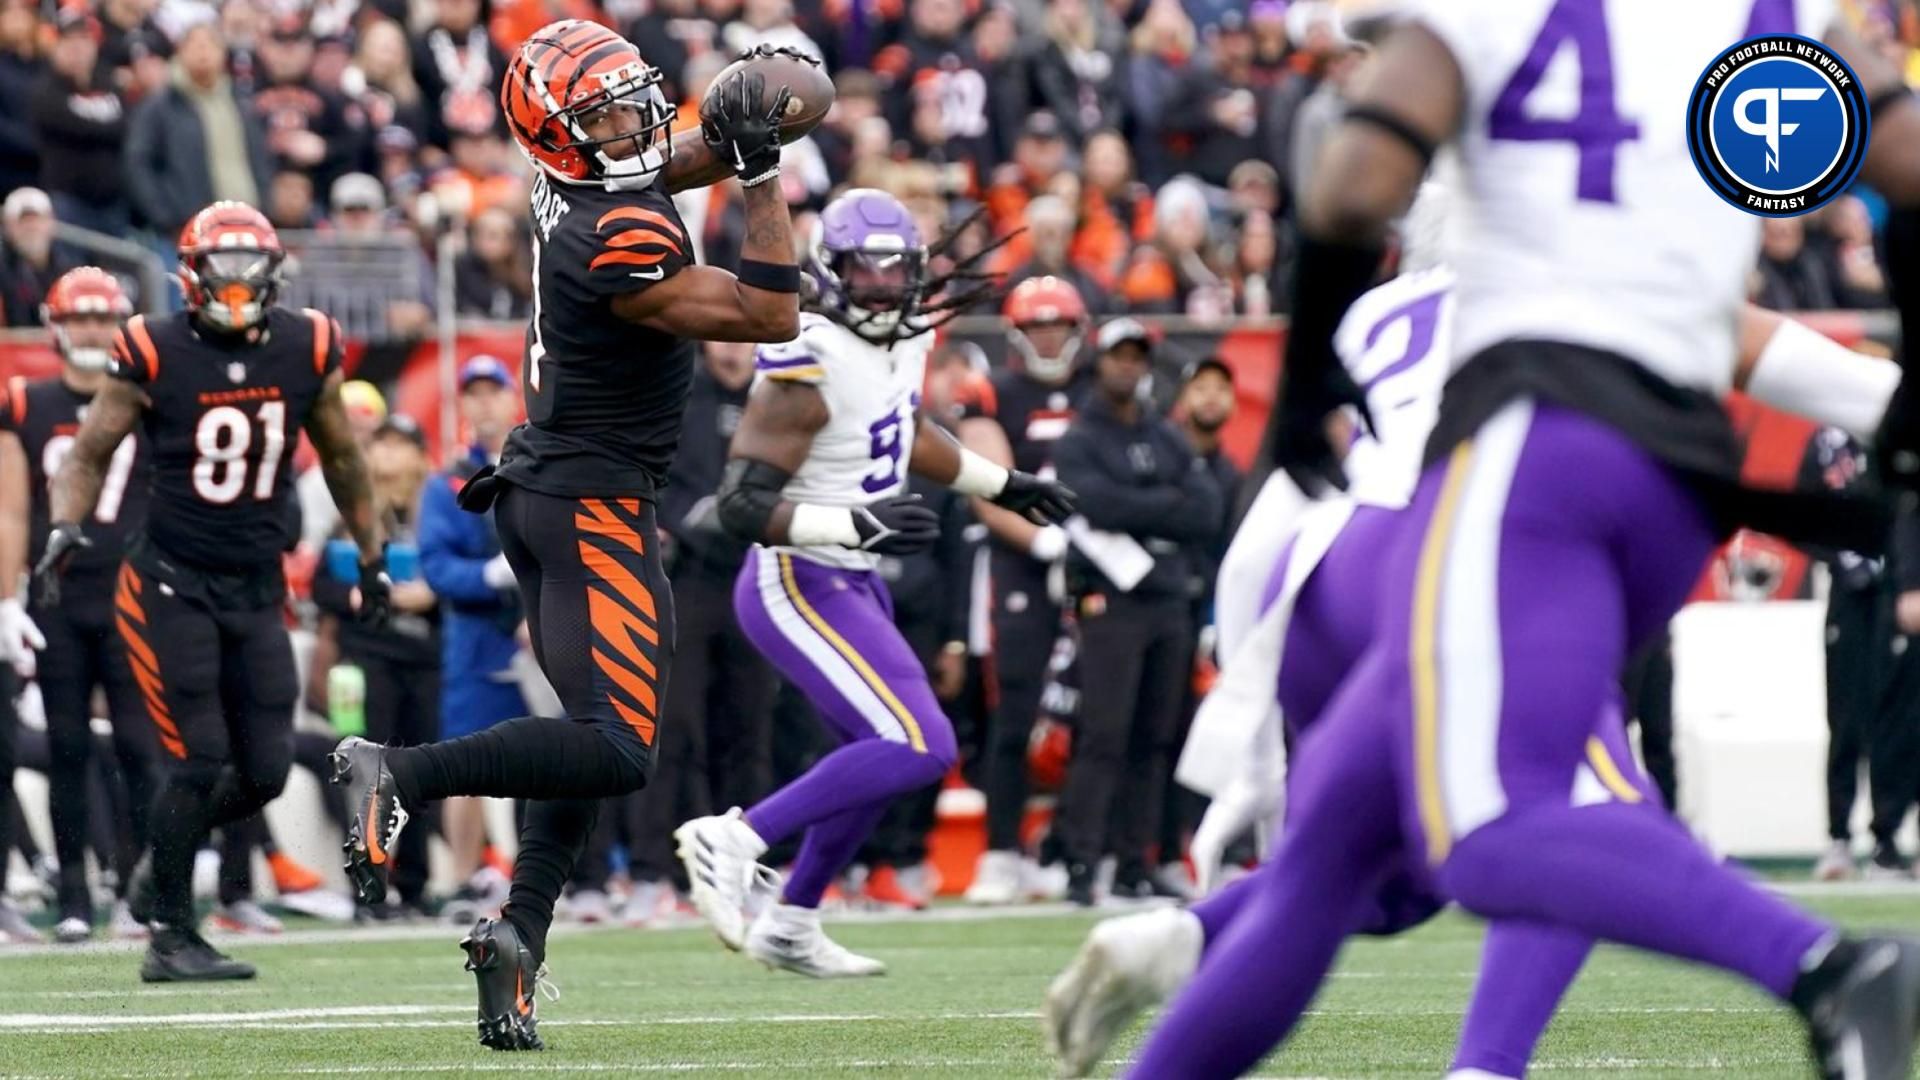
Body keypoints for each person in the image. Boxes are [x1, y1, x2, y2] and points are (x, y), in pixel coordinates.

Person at [1120, 4, 1920, 1076]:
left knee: (1488, 835)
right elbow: (1906, 158)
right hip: (1670, 479)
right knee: (1329, 865)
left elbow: (1354, 179)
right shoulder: (1772, 14)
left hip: (1528, 451)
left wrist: (1306, 370)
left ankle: (1823, 966)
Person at [328, 25, 812, 1051]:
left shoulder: (579, 186)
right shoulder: (613, 238)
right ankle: (397, 775)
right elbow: (770, 313)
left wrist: (743, 119)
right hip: (588, 500)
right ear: (561, 138)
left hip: (559, 487)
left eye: (636, 101)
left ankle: (519, 939)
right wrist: (764, 170)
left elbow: (659, 161)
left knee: (586, 744)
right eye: (606, 115)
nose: (638, 124)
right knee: (618, 749)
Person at [673, 187, 1075, 975]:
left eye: (898, 273)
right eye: (868, 272)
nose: (887, 289)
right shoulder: (807, 357)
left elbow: (899, 426)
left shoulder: (908, 342)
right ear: (832, 273)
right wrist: (853, 525)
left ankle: (791, 920)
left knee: (877, 748)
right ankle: (736, 836)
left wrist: (999, 483)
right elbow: (740, 506)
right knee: (921, 743)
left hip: (853, 580)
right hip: (795, 580)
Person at [38, 202, 382, 984]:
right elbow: (89, 451)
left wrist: (373, 553)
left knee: (263, 770)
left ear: (273, 278)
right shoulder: (153, 347)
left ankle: (163, 862)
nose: (232, 290)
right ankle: (170, 934)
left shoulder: (306, 342)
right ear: (189, 276)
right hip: (168, 578)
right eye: (218, 273)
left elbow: (343, 459)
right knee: (199, 759)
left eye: (246, 274)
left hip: (256, 585)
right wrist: (65, 526)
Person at [0, 268, 158, 943]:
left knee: (140, 748)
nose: (93, 330)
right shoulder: (25, 401)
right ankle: (72, 893)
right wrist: (9, 595)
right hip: (57, 594)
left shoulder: (147, 400)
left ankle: (139, 889)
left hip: (130, 593)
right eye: (82, 318)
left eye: (103, 318)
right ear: (57, 325)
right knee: (67, 746)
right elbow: (11, 509)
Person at [1049, 318, 1222, 904]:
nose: (1128, 366)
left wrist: (1137, 509)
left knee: (1155, 736)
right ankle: (1080, 861)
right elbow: (1091, 503)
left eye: (1137, 357)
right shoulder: (1080, 438)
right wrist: (1162, 505)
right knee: (1104, 733)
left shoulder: (1165, 434)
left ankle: (1132, 859)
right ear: (1099, 362)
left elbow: (1205, 507)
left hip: (1168, 598)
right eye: (1118, 356)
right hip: (1113, 600)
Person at [958, 276, 1094, 905]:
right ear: (1016, 333)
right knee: (1016, 709)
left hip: (1097, 564)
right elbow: (987, 485)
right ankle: (1001, 849)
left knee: (1092, 712)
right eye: (1037, 325)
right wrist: (1043, 543)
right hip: (1021, 565)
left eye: (1057, 325)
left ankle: (1066, 847)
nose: (1048, 336)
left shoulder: (1101, 390)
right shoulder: (994, 391)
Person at [632, 339, 779, 915]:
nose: (734, 349)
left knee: (750, 731)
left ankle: (747, 869)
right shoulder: (680, 394)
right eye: (724, 336)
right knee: (676, 728)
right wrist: (697, 518)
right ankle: (653, 871)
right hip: (689, 578)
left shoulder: (778, 396)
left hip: (757, 573)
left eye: (744, 338)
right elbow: (651, 472)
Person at [312, 415, 441, 918]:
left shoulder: (439, 511)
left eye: (400, 445)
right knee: (370, 773)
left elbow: (459, 573)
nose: (388, 456)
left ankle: (416, 885)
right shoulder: (353, 513)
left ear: (419, 456)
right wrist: (358, 592)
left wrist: (431, 594)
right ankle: (368, 888)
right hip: (369, 656)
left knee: (425, 775)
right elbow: (321, 584)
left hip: (423, 657)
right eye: (380, 444)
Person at [419, 355, 527, 913]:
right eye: (474, 393)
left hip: (537, 632)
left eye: (494, 391)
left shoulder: (538, 466)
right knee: (465, 764)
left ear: (513, 397)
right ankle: (463, 877)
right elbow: (435, 566)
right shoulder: (449, 481)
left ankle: (553, 874)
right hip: (479, 635)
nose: (485, 403)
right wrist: (490, 576)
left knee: (553, 756)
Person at [123, 20, 273, 238]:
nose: (203, 51)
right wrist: (164, 215)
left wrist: (264, 203)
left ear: (222, 53)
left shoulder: (241, 104)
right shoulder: (160, 106)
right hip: (184, 230)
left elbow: (261, 158)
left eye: (210, 44)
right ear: (180, 52)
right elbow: (138, 162)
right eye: (195, 44)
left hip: (244, 225)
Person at [31, 8, 129, 237]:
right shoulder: (45, 90)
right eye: (69, 41)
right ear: (55, 46)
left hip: (113, 205)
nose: (77, 48)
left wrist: (96, 125)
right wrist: (106, 125)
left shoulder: (108, 83)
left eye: (84, 39)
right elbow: (76, 126)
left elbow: (126, 126)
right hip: (70, 203)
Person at [0, 188, 78, 327]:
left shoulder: (69, 271)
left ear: (51, 222)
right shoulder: (3, 272)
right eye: (22, 222)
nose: (31, 228)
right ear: (7, 227)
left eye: (36, 220)